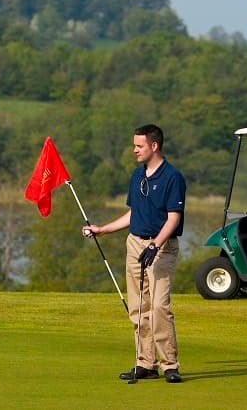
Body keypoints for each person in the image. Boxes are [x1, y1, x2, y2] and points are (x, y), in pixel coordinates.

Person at [82, 124, 186, 384]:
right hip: (135, 245)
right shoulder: (136, 176)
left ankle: (169, 365)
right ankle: (145, 363)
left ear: (154, 146)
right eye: (134, 145)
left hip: (161, 247)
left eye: (139, 146)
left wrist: (155, 245)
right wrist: (103, 229)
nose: (134, 150)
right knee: (139, 308)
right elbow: (134, 214)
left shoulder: (173, 177)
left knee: (160, 306)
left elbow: (174, 218)